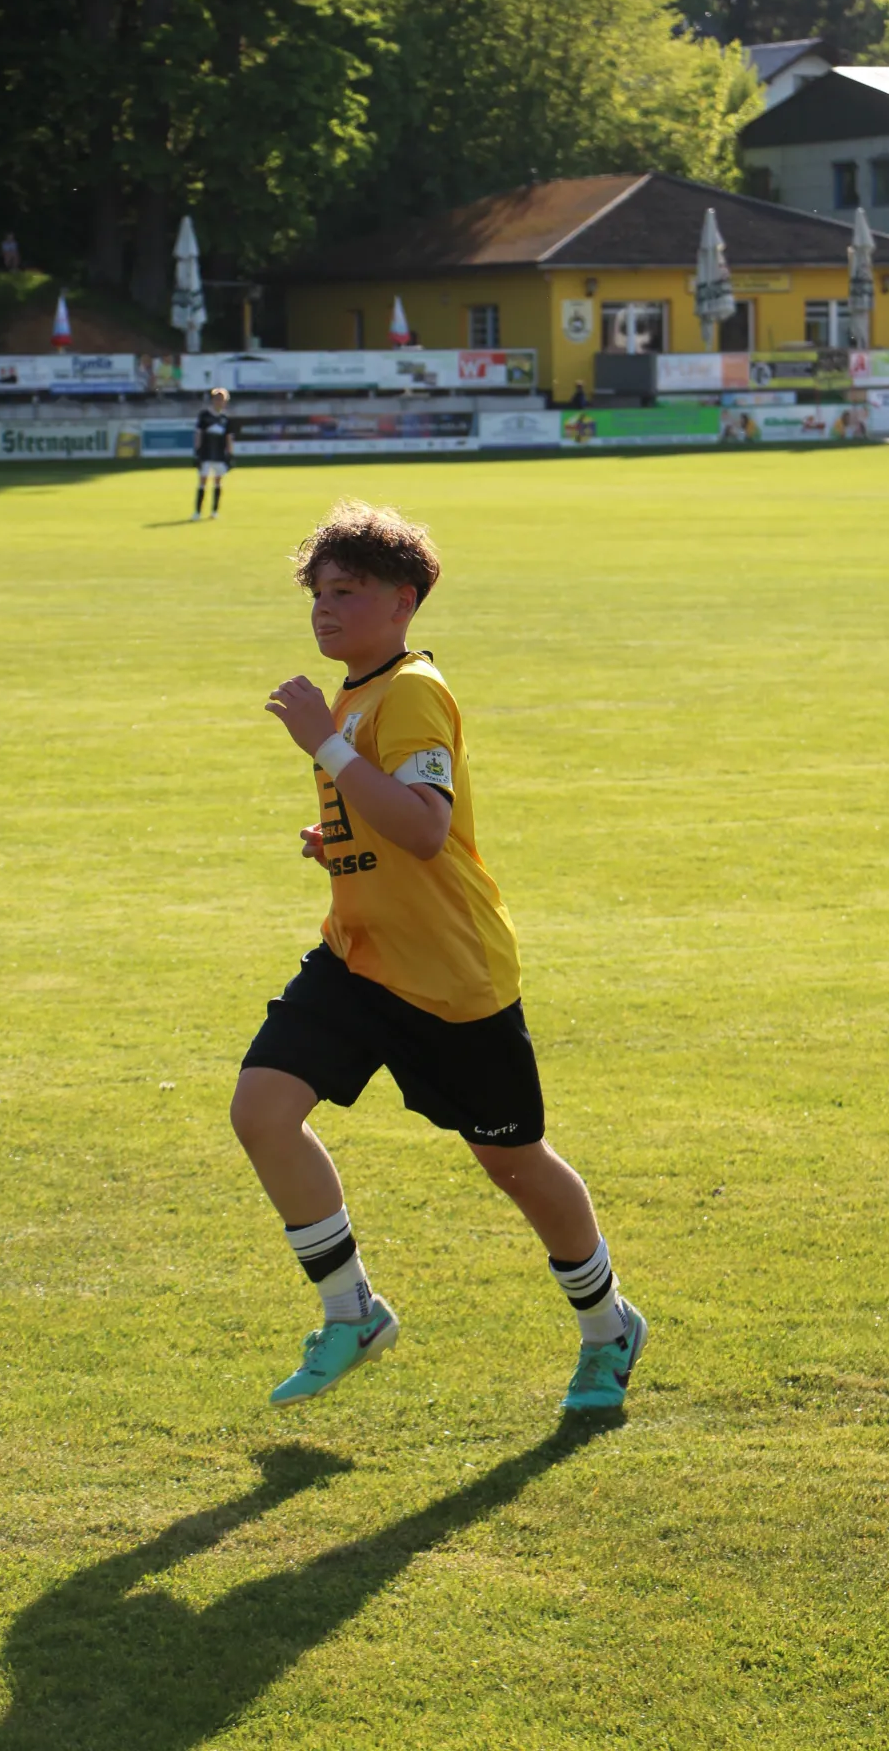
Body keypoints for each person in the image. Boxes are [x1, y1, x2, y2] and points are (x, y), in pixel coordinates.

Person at [231, 501, 647, 1411]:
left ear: (403, 601)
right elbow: (392, 824)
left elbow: (424, 830)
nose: (324, 609)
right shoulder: (354, 696)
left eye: (346, 592)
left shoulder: (410, 690)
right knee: (262, 1109)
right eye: (316, 593)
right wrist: (341, 841)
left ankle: (607, 1325)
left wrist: (323, 744)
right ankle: (352, 1312)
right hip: (357, 959)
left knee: (513, 1163)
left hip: (449, 979)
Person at [191, 387, 233, 519]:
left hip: (219, 455)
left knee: (218, 482)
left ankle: (214, 511)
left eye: (222, 399)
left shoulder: (225, 418)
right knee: (202, 481)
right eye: (217, 399)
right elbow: (198, 434)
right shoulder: (204, 416)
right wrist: (197, 452)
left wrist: (230, 455)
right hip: (205, 454)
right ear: (213, 400)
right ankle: (197, 512)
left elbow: (229, 438)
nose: (219, 402)